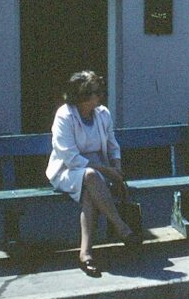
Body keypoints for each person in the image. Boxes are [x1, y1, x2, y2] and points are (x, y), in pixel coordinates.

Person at [46, 70, 141, 278]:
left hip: (99, 171)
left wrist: (116, 167)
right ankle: (121, 227)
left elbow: (112, 144)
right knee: (89, 177)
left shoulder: (103, 113)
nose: (100, 96)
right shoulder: (64, 115)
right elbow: (70, 157)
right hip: (67, 171)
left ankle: (86, 253)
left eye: (99, 92)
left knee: (90, 190)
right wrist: (106, 170)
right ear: (81, 96)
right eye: (95, 92)